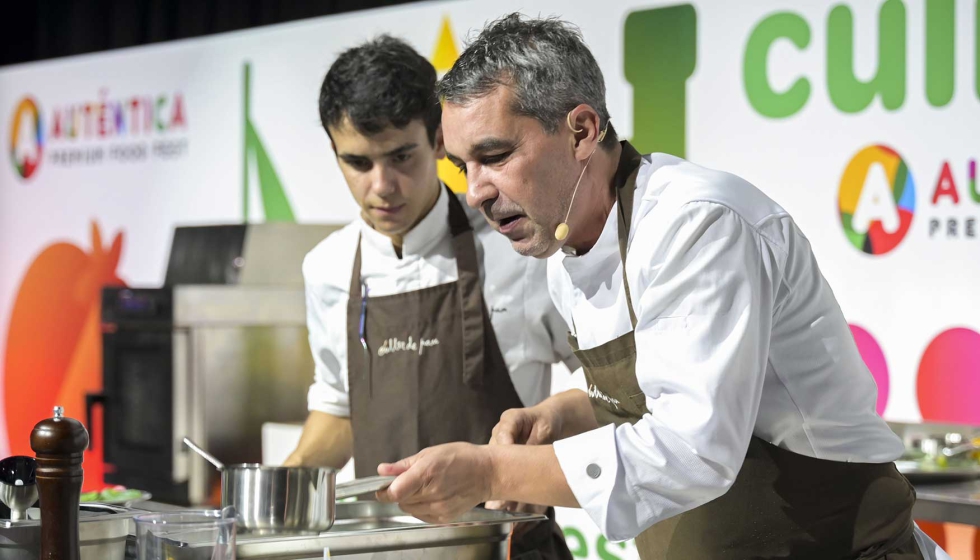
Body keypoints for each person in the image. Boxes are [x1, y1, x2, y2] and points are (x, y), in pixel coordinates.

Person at [375, 14, 950, 560]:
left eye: (495, 156)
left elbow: (691, 449)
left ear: (581, 130)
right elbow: (656, 389)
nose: (475, 191)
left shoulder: (698, 225)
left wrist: (490, 471)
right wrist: (563, 415)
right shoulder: (564, 249)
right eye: (461, 167)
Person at [282, 35, 576, 559]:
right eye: (357, 162)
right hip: (378, 550)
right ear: (333, 150)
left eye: (401, 157)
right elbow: (340, 406)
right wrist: (276, 491)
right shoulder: (326, 269)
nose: (382, 186)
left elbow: (610, 389)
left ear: (439, 140)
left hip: (506, 547)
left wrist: (535, 454)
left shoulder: (517, 246)